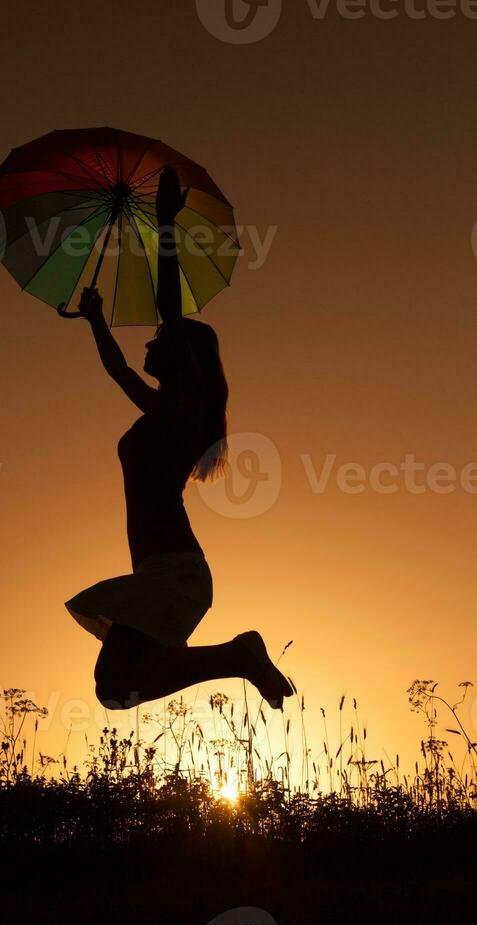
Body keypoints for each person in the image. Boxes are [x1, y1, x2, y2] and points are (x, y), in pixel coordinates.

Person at [65, 165, 293, 712]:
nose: (150, 339)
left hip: (174, 573)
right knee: (115, 687)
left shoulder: (186, 405)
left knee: (116, 686)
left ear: (186, 358)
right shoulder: (167, 411)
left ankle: (236, 658)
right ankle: (234, 657)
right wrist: (95, 320)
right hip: (163, 573)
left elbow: (170, 303)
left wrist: (166, 223)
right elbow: (121, 373)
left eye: (160, 336)